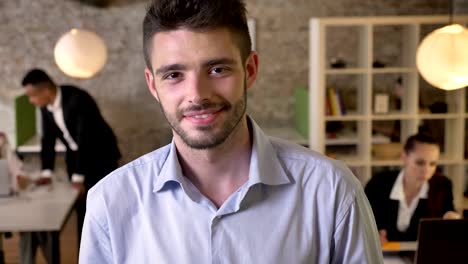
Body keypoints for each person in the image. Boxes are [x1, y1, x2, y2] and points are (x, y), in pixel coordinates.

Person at [79, 0, 383, 263]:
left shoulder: (332, 192)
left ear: (249, 70)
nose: (196, 94)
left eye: (217, 69)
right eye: (174, 75)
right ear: (153, 85)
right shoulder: (109, 204)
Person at [21, 69, 121, 263]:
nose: (31, 101)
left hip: (100, 157)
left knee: (103, 206)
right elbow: (47, 141)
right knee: (82, 210)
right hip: (77, 158)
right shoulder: (45, 107)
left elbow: (86, 140)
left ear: (46, 90)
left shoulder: (78, 99)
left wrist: (78, 177)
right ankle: (87, 256)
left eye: (32, 95)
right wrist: (47, 172)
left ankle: (111, 254)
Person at [365, 133, 461, 244]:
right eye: (420, 163)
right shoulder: (378, 183)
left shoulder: (442, 185)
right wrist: (372, 233)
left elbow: (448, 210)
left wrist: (452, 219)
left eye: (432, 164)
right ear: (404, 157)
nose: (427, 170)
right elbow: (363, 219)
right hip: (383, 255)